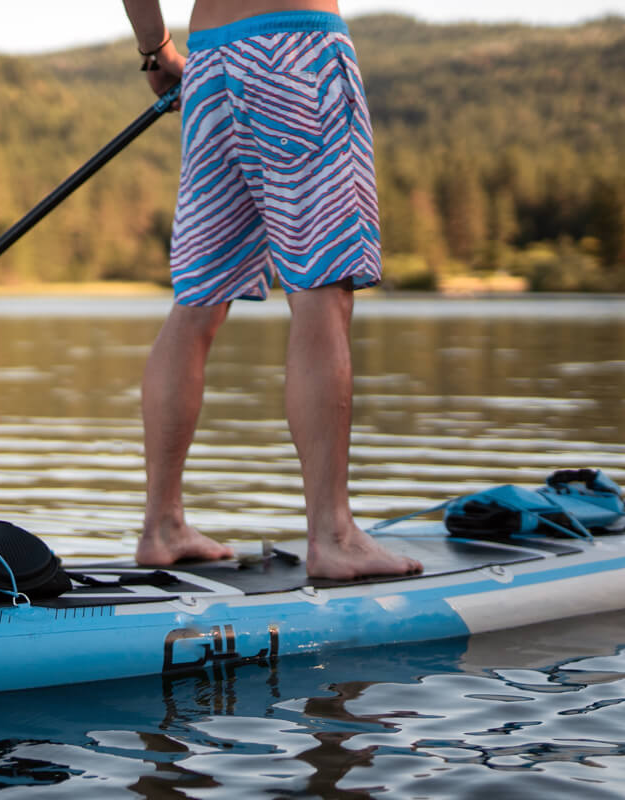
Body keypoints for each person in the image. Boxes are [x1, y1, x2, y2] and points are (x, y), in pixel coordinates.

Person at [123, 0, 422, 580]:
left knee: (196, 302)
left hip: (209, 62)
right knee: (322, 290)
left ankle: (162, 525)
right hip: (300, 50)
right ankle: (333, 536)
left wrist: (155, 51)